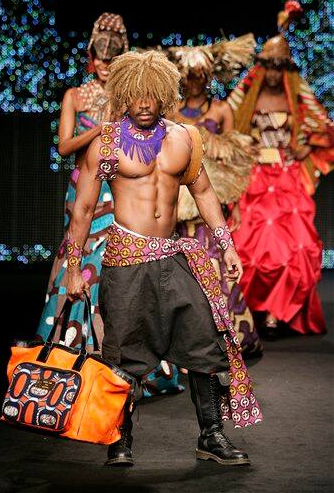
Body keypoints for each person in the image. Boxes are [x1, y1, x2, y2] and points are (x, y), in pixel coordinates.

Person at [65, 51, 262, 467]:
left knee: (204, 345)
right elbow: (81, 210)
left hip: (174, 258)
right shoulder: (106, 142)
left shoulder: (184, 138)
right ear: (125, 96)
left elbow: (205, 192)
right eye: (135, 98)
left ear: (162, 96)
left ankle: (211, 436)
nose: (142, 106)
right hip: (126, 262)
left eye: (150, 98)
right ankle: (120, 441)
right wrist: (72, 269)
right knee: (122, 354)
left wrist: (225, 243)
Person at [227, 1, 334, 338]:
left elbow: (325, 127)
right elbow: (224, 126)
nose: (272, 73)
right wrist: (244, 146)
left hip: (287, 178)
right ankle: (252, 312)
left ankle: (276, 312)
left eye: (278, 66)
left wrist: (305, 146)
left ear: (286, 68)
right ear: (260, 67)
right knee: (249, 247)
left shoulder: (296, 98)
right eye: (267, 66)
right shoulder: (246, 98)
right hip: (255, 178)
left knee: (294, 248)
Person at [35, 13, 128, 348]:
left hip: (115, 184)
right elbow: (62, 147)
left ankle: (104, 344)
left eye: (111, 59)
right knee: (78, 251)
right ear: (92, 57)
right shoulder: (75, 96)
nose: (104, 64)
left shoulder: (125, 98)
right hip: (81, 185)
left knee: (105, 257)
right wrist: (96, 131)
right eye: (100, 58)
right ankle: (70, 341)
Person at [168, 38, 263, 355]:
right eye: (190, 75)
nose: (195, 81)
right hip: (179, 196)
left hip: (211, 192)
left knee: (217, 265)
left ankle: (230, 335)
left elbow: (234, 159)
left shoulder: (221, 110)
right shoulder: (171, 112)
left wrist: (234, 205)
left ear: (208, 76)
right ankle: (185, 339)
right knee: (183, 267)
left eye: (201, 75)